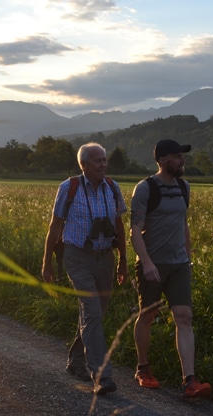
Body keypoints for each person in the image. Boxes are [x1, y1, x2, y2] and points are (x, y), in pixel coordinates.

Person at [42, 142, 128, 396]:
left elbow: (119, 226)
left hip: (105, 257)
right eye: (98, 160)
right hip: (77, 257)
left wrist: (123, 259)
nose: (103, 164)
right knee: (91, 311)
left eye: (104, 160)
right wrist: (46, 262)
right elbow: (54, 226)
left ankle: (76, 361)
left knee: (96, 314)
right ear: (84, 165)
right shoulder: (69, 188)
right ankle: (102, 376)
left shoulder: (112, 188)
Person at [129, 139, 212, 399]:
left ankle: (190, 380)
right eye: (177, 157)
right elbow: (135, 231)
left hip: (179, 265)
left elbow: (183, 224)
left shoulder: (184, 187)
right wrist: (147, 263)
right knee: (148, 315)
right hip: (152, 263)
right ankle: (143, 368)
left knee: (184, 317)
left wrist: (188, 258)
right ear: (163, 160)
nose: (182, 161)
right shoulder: (145, 188)